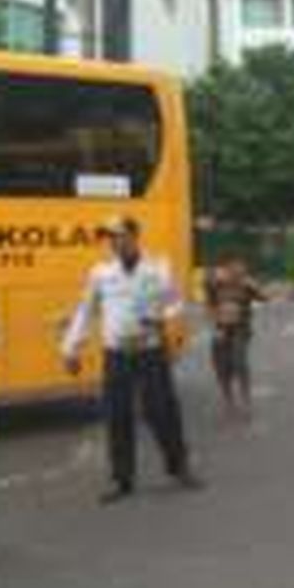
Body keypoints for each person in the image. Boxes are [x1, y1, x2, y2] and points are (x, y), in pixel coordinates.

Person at [61, 215, 202, 503]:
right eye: (110, 237)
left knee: (162, 411)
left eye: (119, 235)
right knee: (117, 417)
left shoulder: (157, 269)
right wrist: (71, 348)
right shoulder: (100, 273)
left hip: (150, 352)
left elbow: (177, 303)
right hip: (116, 354)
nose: (113, 242)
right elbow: (86, 311)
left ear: (135, 237)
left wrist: (160, 318)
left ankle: (178, 467)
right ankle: (121, 479)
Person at [204, 255, 268, 422]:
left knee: (239, 361)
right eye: (235, 267)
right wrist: (214, 322)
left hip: (241, 329)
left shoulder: (247, 285)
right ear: (227, 268)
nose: (239, 270)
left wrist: (256, 287)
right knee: (221, 366)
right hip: (221, 329)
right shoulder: (216, 284)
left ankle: (246, 400)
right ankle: (228, 400)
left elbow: (265, 297)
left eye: (242, 267)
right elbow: (209, 303)